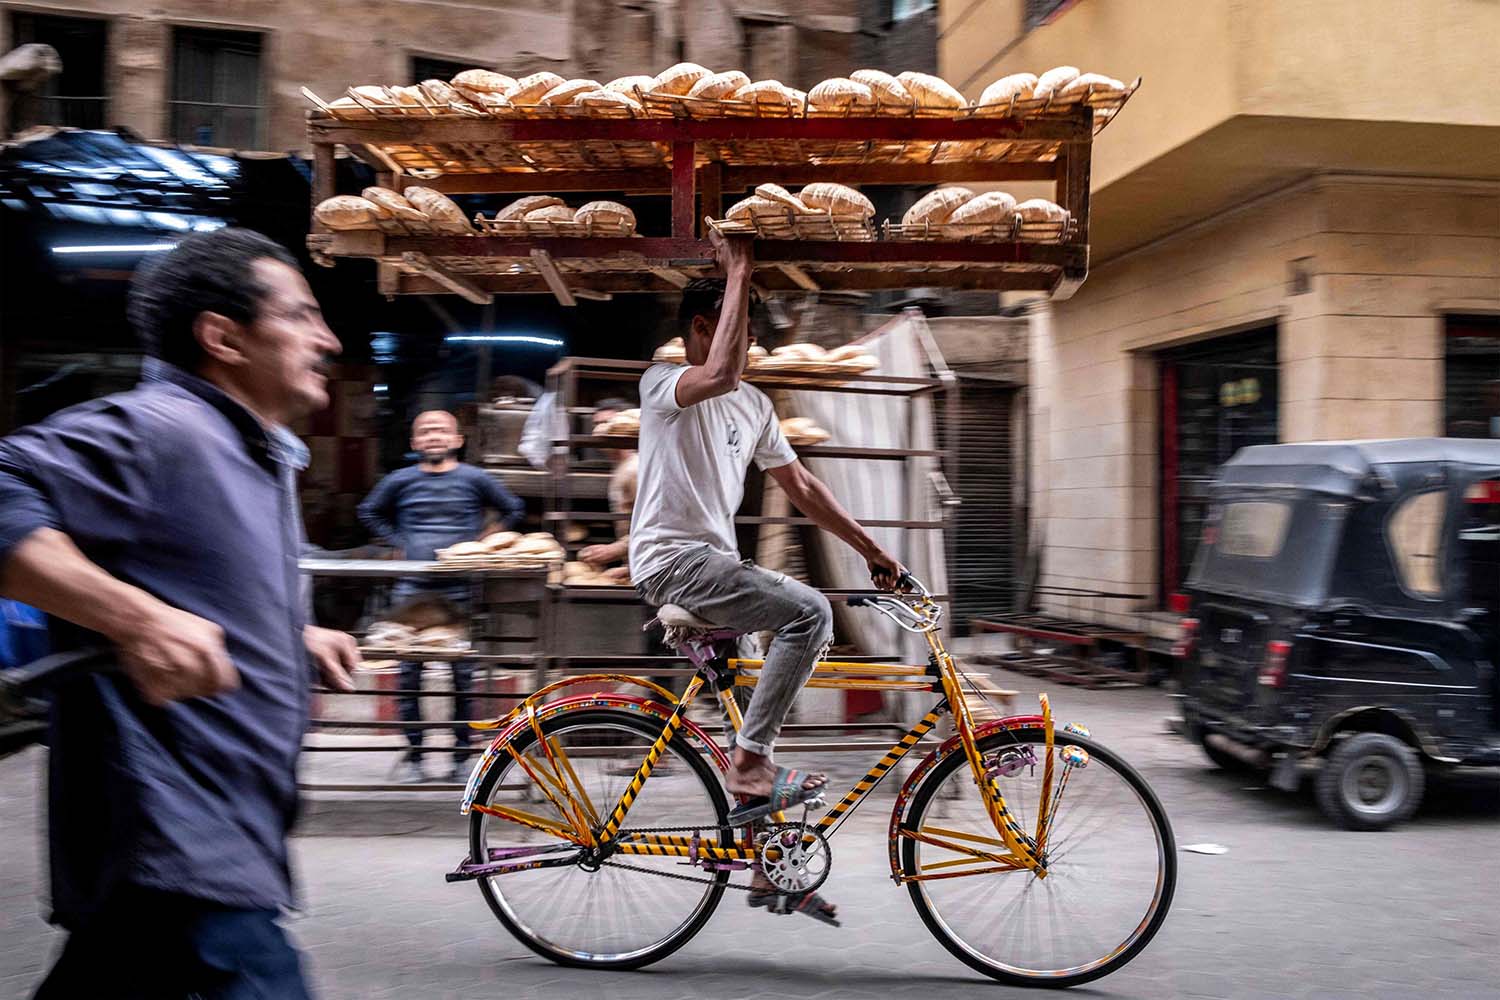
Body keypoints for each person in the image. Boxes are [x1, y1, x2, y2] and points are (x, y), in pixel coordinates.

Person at [0, 228, 361, 998]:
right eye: (301, 316)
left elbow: (190, 580)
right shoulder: (163, 429)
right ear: (223, 337)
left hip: (202, 845)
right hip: (178, 838)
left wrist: (288, 635)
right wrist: (131, 618)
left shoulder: (249, 450)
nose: (327, 340)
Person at [629, 235, 904, 921]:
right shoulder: (664, 386)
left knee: (755, 720)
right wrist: (741, 267)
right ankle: (748, 764)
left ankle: (763, 868)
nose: (747, 349)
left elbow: (803, 485)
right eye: (739, 332)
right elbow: (717, 373)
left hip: (714, 568)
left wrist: (873, 550)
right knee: (809, 614)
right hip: (676, 562)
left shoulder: (753, 405)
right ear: (702, 329)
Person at [358, 410, 525, 783]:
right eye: (426, 431)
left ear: (457, 439)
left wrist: (486, 542)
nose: (434, 436)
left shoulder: (475, 478)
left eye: (441, 431)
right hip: (411, 588)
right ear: (415, 442)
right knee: (409, 675)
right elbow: (368, 511)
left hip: (460, 588)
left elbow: (514, 508)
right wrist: (398, 543)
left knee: (462, 676)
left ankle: (462, 758)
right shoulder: (399, 480)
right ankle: (415, 757)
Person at [579, 396, 638, 579]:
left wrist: (615, 550)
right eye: (596, 424)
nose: (600, 430)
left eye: (606, 423)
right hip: (636, 565)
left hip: (648, 567)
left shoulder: (635, 469)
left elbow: (654, 524)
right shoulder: (620, 467)